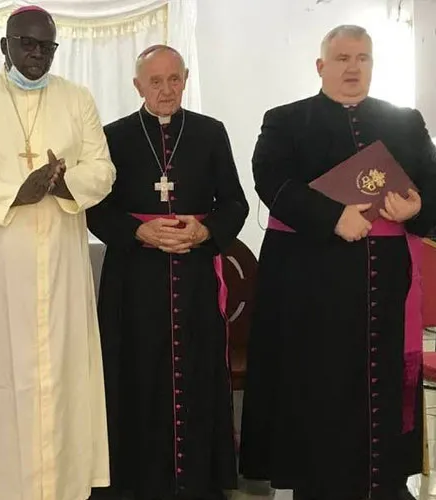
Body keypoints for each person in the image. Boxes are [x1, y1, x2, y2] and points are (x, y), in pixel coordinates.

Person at [239, 25, 436, 500]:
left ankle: (385, 481)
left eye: (363, 58)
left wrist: (418, 210)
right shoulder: (286, 120)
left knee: (383, 380)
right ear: (320, 66)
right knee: (319, 383)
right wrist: (333, 217)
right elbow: (271, 181)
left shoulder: (406, 120)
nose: (353, 67)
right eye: (342, 57)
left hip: (385, 283)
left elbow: (431, 184)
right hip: (311, 281)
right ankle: (318, 484)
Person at [0, 6, 115, 500]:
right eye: (27, 44)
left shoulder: (77, 100)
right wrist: (18, 191)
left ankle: (59, 486)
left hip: (60, 265)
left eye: (46, 46)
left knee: (60, 377)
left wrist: (62, 187)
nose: (36, 55)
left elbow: (103, 170)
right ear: (5, 46)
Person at [86, 45, 247, 500]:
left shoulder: (210, 133)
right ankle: (136, 483)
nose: (165, 89)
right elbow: (95, 208)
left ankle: (199, 481)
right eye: (154, 82)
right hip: (134, 282)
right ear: (138, 86)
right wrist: (141, 234)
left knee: (197, 376)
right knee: (135, 375)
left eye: (173, 79)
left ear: (186, 78)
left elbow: (236, 203)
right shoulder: (112, 137)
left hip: (195, 279)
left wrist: (203, 231)